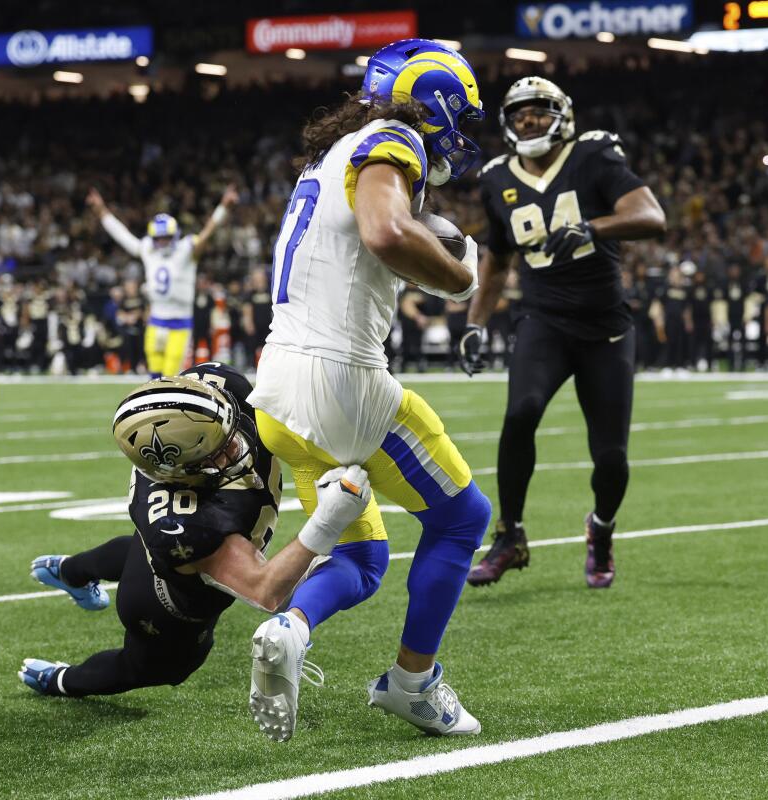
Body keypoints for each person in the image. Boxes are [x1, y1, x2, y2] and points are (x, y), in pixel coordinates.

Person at [247, 39, 491, 740]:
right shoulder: (392, 136)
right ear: (436, 99)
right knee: (463, 520)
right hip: (342, 382)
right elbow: (384, 232)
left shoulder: (334, 155)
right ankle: (414, 685)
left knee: (359, 557)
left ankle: (291, 628)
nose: (460, 132)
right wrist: (457, 275)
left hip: (280, 388)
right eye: (460, 114)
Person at [19, 364, 370, 728]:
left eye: (226, 431)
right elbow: (266, 591)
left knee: (134, 550)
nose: (235, 445)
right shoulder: (185, 525)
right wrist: (327, 522)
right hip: (163, 605)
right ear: (178, 471)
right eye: (217, 453)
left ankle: (69, 571)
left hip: (159, 552)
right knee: (149, 667)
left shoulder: (219, 389)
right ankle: (60, 680)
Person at [459, 76, 665, 588]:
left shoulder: (592, 155)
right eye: (520, 113)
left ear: (562, 115)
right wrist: (475, 324)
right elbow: (499, 260)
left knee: (612, 458)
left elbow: (651, 215)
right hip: (543, 320)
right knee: (520, 413)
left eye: (540, 110)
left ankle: (601, 529)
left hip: (605, 326)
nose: (529, 120)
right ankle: (510, 536)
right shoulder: (494, 177)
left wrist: (595, 226)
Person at [87, 185, 238, 377]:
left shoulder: (185, 249)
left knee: (170, 376)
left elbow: (207, 234)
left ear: (175, 236)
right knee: (154, 375)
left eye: (167, 237)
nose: (163, 242)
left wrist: (222, 208)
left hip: (179, 322)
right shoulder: (148, 249)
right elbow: (122, 236)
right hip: (156, 320)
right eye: (159, 238)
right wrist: (101, 211)